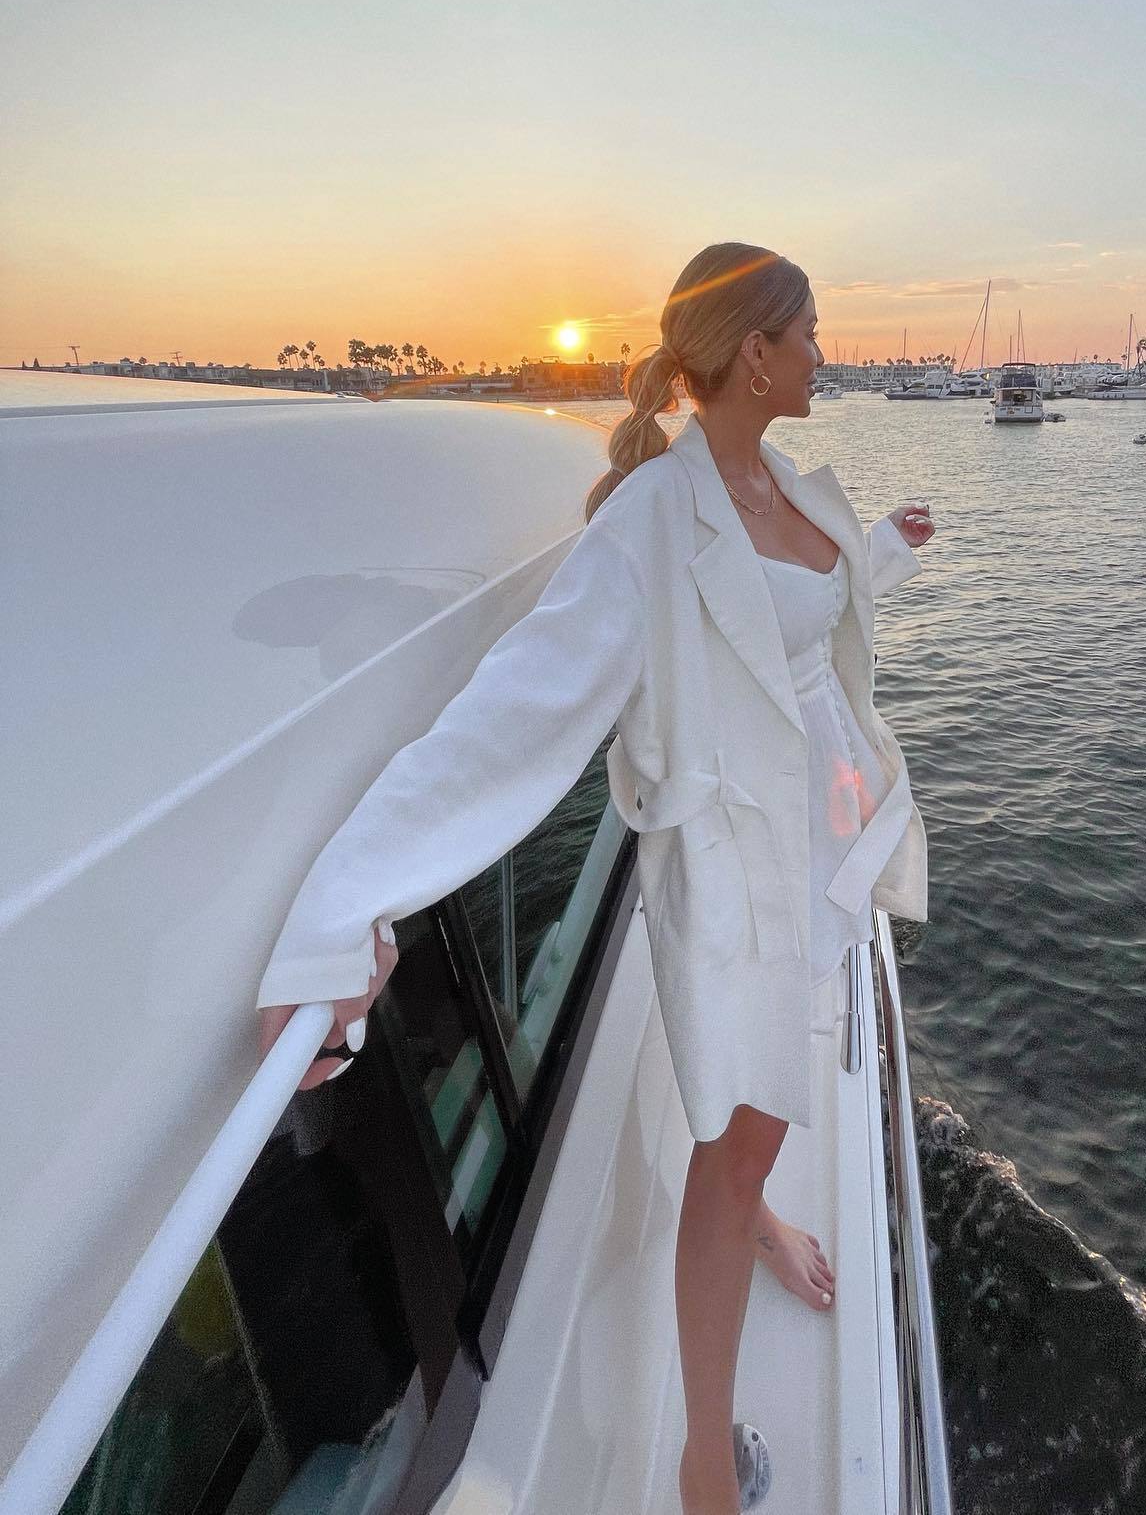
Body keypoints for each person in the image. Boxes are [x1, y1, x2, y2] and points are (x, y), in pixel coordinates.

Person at [255, 241, 935, 1514]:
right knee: (741, 1138)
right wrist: (344, 907)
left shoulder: (776, 478)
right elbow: (515, 717)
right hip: (744, 874)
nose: (825, 353)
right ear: (755, 353)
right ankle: (700, 1458)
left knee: (761, 1104)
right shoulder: (652, 522)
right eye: (810, 332)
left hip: (823, 834)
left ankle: (758, 1210)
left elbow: (789, 612)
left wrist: (885, 546)